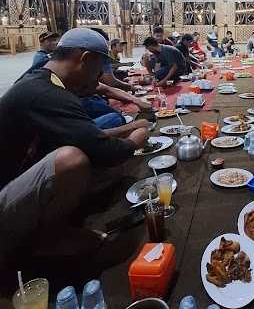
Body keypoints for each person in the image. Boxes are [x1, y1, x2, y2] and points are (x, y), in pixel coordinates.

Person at [0, 28, 148, 255]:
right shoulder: (47, 94)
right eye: (98, 71)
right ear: (85, 59)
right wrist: (135, 141)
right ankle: (49, 238)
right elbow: (105, 151)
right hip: (4, 200)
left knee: (104, 170)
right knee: (72, 159)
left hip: (19, 177)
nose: (97, 79)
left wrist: (128, 128)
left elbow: (88, 136)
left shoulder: (42, 79)